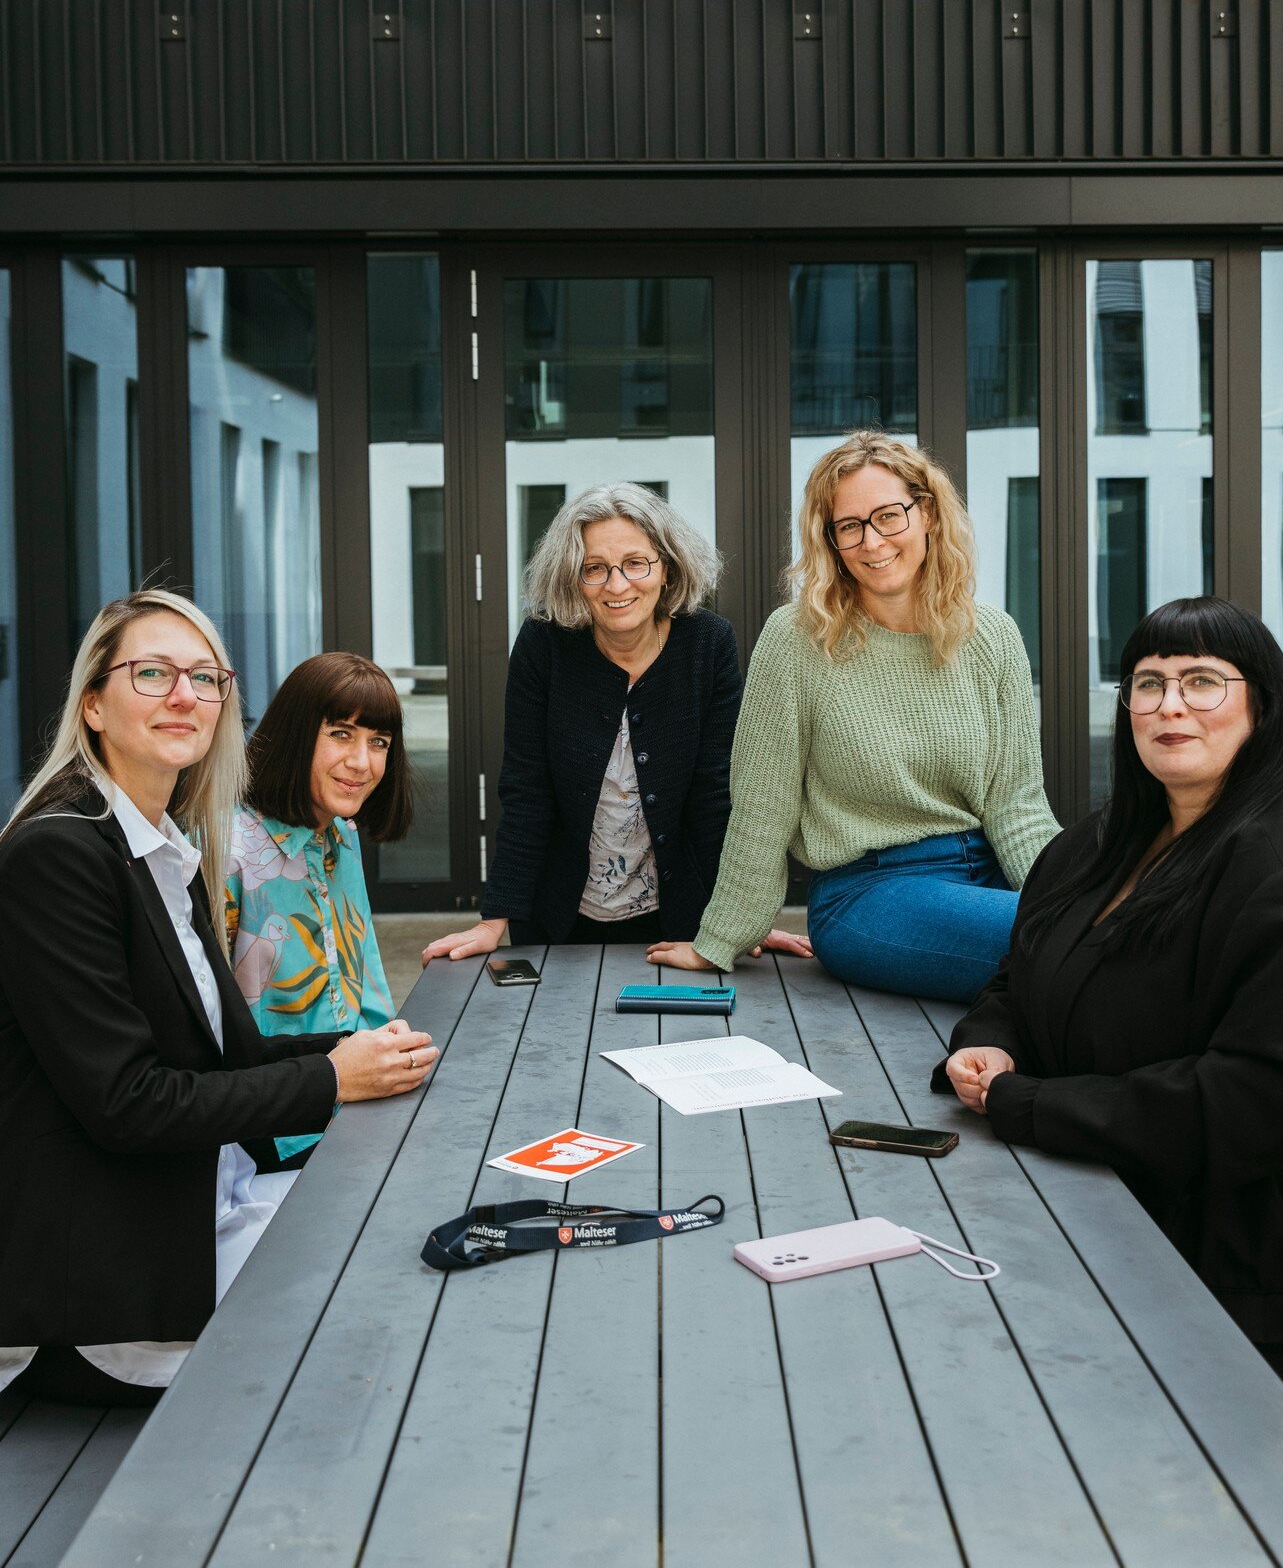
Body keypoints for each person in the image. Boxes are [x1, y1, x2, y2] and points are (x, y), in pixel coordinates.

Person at [936, 596, 1283, 1466]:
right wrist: (992, 1038)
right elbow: (1025, 975)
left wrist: (1030, 1105)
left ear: (1264, 705)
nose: (1170, 705)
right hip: (1135, 1209)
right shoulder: (1098, 846)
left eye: (1204, 682)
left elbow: (1254, 1102)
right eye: (1149, 683)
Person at [0, 590, 437, 1410]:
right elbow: (128, 1105)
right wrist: (331, 1079)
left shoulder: (163, 845)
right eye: (153, 672)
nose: (184, 696)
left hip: (215, 1205)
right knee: (390, 1349)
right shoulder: (56, 856)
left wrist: (361, 1058)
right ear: (92, 703)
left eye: (205, 678)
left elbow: (226, 1056)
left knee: (424, 1239)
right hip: (117, 1297)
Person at [649, 429, 1058, 995]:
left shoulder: (992, 637)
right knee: (1071, 942)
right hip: (871, 894)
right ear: (830, 542)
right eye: (849, 527)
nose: (872, 542)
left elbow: (1019, 806)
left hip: (985, 876)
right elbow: (763, 803)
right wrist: (723, 937)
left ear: (929, 514)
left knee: (1103, 927)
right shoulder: (797, 639)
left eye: (889, 516)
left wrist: (1074, 893)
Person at [422, 483, 806, 962]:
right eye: (594, 569)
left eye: (635, 563)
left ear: (666, 568)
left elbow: (717, 798)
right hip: (556, 921)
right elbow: (526, 790)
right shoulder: (543, 646)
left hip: (680, 921)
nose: (617, 585)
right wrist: (494, 919)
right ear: (572, 579)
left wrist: (736, 921)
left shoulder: (707, 644)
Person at [227, 652, 414, 1163]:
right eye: (340, 734)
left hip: (358, 1105)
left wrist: (395, 1056)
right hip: (270, 1126)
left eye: (379, 743)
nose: (362, 762)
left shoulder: (341, 834)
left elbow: (364, 975)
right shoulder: (227, 847)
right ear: (295, 733)